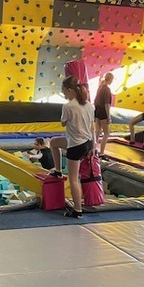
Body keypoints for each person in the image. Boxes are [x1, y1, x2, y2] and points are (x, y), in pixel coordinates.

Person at [49, 75, 95, 219]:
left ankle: (77, 210)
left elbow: (63, 123)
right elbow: (92, 128)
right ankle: (57, 171)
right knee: (54, 142)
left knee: (74, 179)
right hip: (86, 143)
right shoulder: (89, 105)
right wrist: (93, 147)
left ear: (69, 90)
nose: (63, 93)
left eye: (63, 91)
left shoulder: (68, 106)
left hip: (76, 145)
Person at [94, 72, 114, 160]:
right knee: (106, 133)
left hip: (97, 110)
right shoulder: (107, 89)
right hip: (103, 111)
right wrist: (108, 116)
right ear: (110, 79)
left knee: (97, 131)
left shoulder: (100, 88)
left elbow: (95, 101)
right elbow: (107, 104)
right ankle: (101, 153)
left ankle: (93, 149)